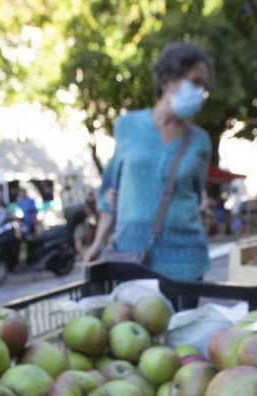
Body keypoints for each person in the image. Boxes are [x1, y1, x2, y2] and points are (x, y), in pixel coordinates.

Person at [83, 42, 214, 281]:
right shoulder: (127, 126)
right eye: (195, 82)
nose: (200, 92)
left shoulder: (200, 141)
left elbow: (196, 196)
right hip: (132, 257)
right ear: (168, 80)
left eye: (204, 87)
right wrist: (98, 242)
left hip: (186, 261)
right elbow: (110, 193)